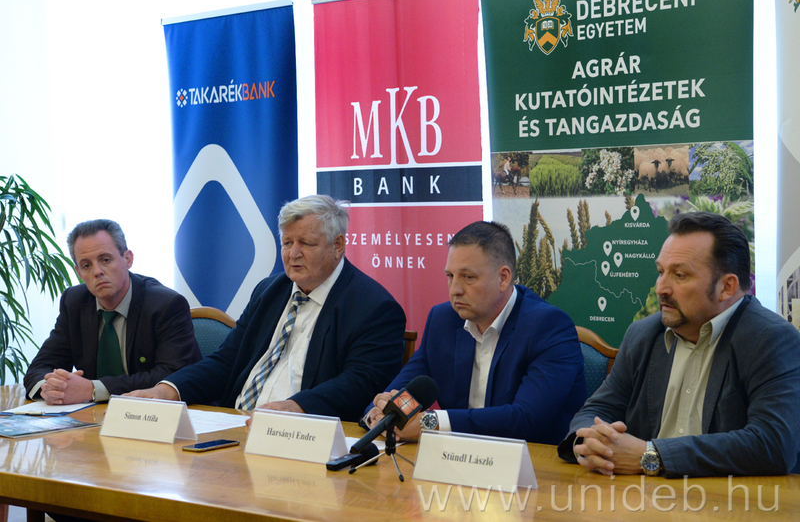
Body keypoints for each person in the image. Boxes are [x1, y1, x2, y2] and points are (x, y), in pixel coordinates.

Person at [558, 212, 800, 477]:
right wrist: (591, 442)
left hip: (727, 498)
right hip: (638, 494)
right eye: (660, 272)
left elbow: (773, 443)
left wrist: (651, 456)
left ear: (727, 287)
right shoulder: (643, 334)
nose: (661, 288)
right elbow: (597, 410)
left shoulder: (771, 339)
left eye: (680, 275)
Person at [127, 195, 406, 422]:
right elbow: (227, 361)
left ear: (338, 245)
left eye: (306, 244)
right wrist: (168, 390)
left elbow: (359, 384)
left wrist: (297, 407)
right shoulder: (269, 291)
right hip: (237, 424)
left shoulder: (374, 308)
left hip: (304, 436)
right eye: (287, 243)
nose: (293, 254)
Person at [364, 221, 586, 445]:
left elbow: (525, 420)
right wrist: (381, 413)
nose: (455, 290)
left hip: (534, 461)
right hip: (456, 457)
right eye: (450, 276)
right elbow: (403, 390)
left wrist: (430, 422)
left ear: (503, 278)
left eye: (468, 277)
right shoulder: (443, 321)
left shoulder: (548, 327)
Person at [23, 219, 201, 404]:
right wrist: (51, 388)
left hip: (162, 414)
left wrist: (93, 389)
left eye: (105, 260)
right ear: (79, 272)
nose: (97, 271)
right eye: (86, 265)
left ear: (127, 259)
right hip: (94, 415)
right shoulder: (74, 302)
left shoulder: (166, 305)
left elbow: (171, 376)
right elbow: (41, 366)